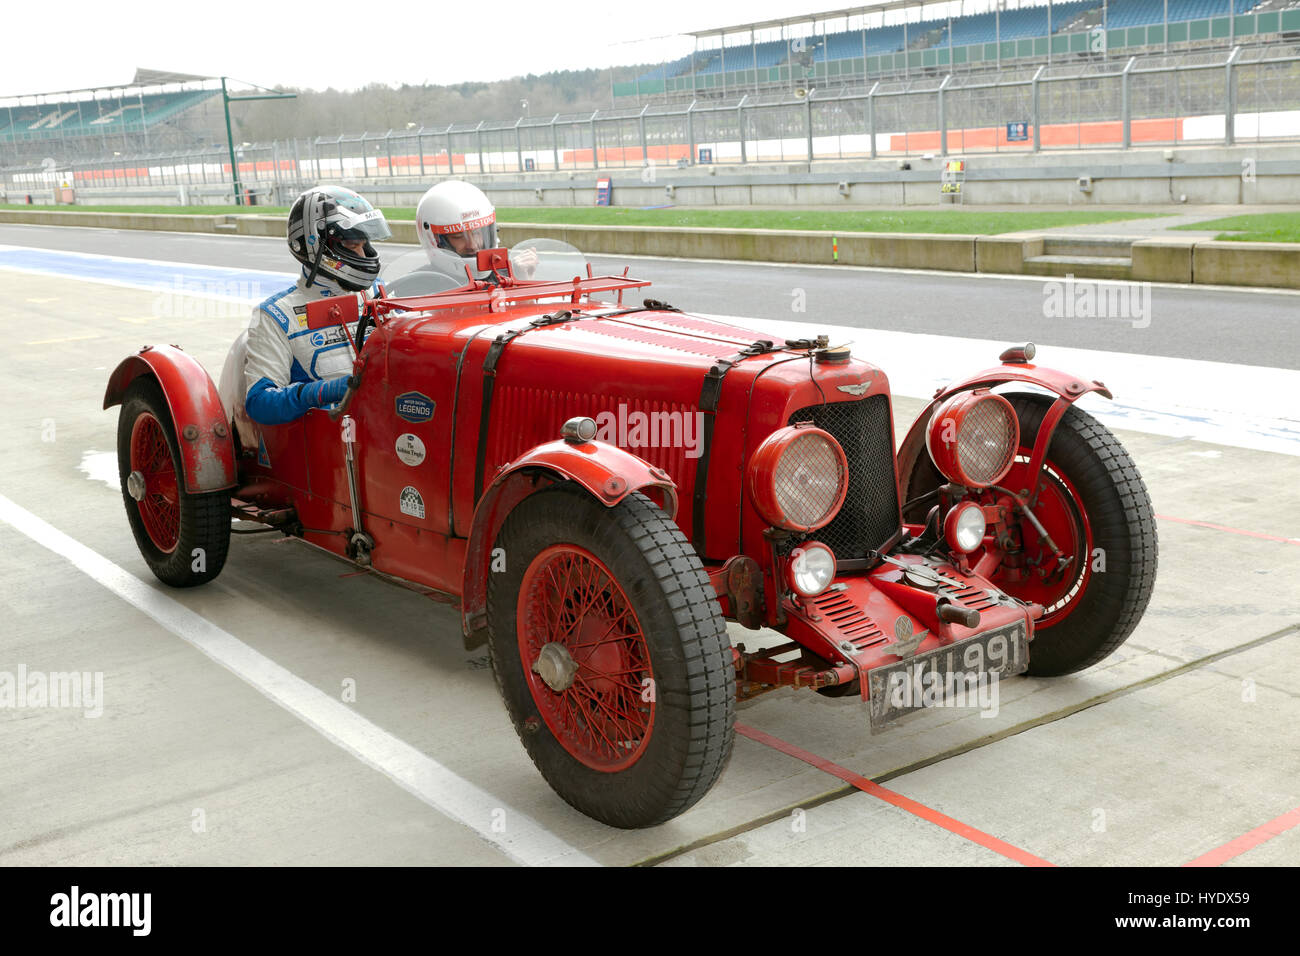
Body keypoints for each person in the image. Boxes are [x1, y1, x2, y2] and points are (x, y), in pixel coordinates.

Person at [243, 185, 391, 425]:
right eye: (353, 246)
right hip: (329, 445)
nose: (364, 256)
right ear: (315, 244)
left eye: (364, 245)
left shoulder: (380, 294)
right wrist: (319, 392)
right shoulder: (276, 315)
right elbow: (259, 404)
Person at [414, 180, 537, 281]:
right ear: (433, 239)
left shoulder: (508, 274)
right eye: (458, 236)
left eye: (477, 233)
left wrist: (522, 281)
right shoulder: (416, 286)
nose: (473, 245)